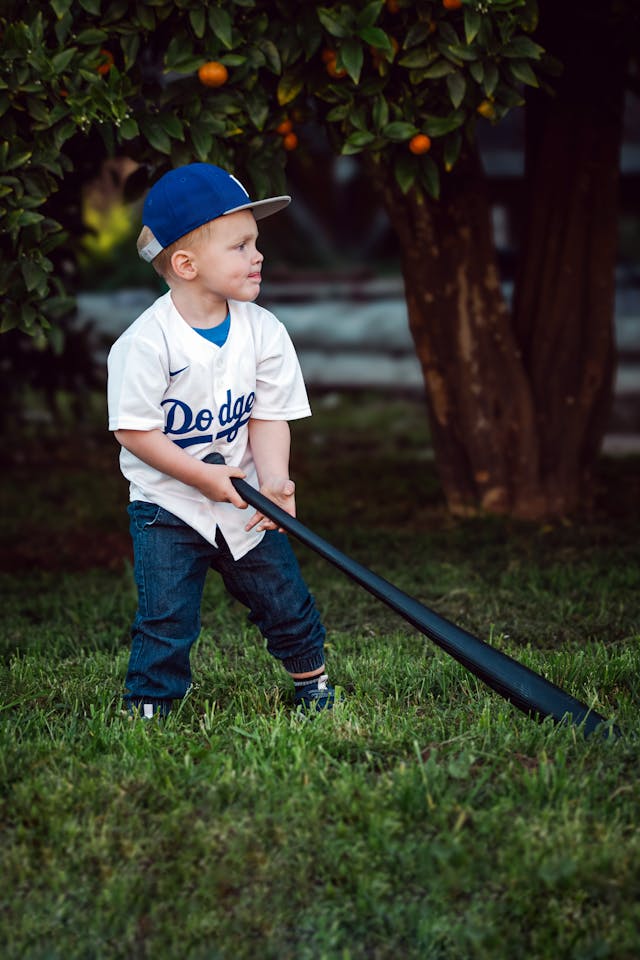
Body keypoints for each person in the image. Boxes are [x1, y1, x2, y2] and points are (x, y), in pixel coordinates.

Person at [107, 162, 336, 719]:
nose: (257, 256)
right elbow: (134, 431)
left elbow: (269, 415)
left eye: (255, 243)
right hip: (168, 505)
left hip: (246, 498)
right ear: (185, 264)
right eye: (239, 246)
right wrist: (203, 477)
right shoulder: (145, 343)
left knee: (282, 597)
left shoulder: (263, 330)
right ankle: (151, 704)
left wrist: (276, 480)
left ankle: (312, 682)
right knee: (166, 615)